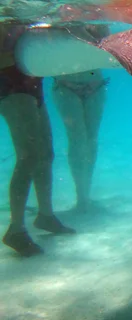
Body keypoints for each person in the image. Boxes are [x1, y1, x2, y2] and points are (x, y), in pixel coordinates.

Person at [0, 24, 75, 257]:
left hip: (32, 82)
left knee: (46, 154)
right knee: (29, 155)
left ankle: (45, 215)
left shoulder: (33, 16)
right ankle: (16, 228)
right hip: (10, 83)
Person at [51, 24, 111, 212]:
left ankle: (86, 193)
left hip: (95, 84)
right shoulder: (58, 17)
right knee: (77, 139)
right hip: (65, 84)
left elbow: (104, 44)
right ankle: (81, 196)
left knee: (91, 140)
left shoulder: (97, 18)